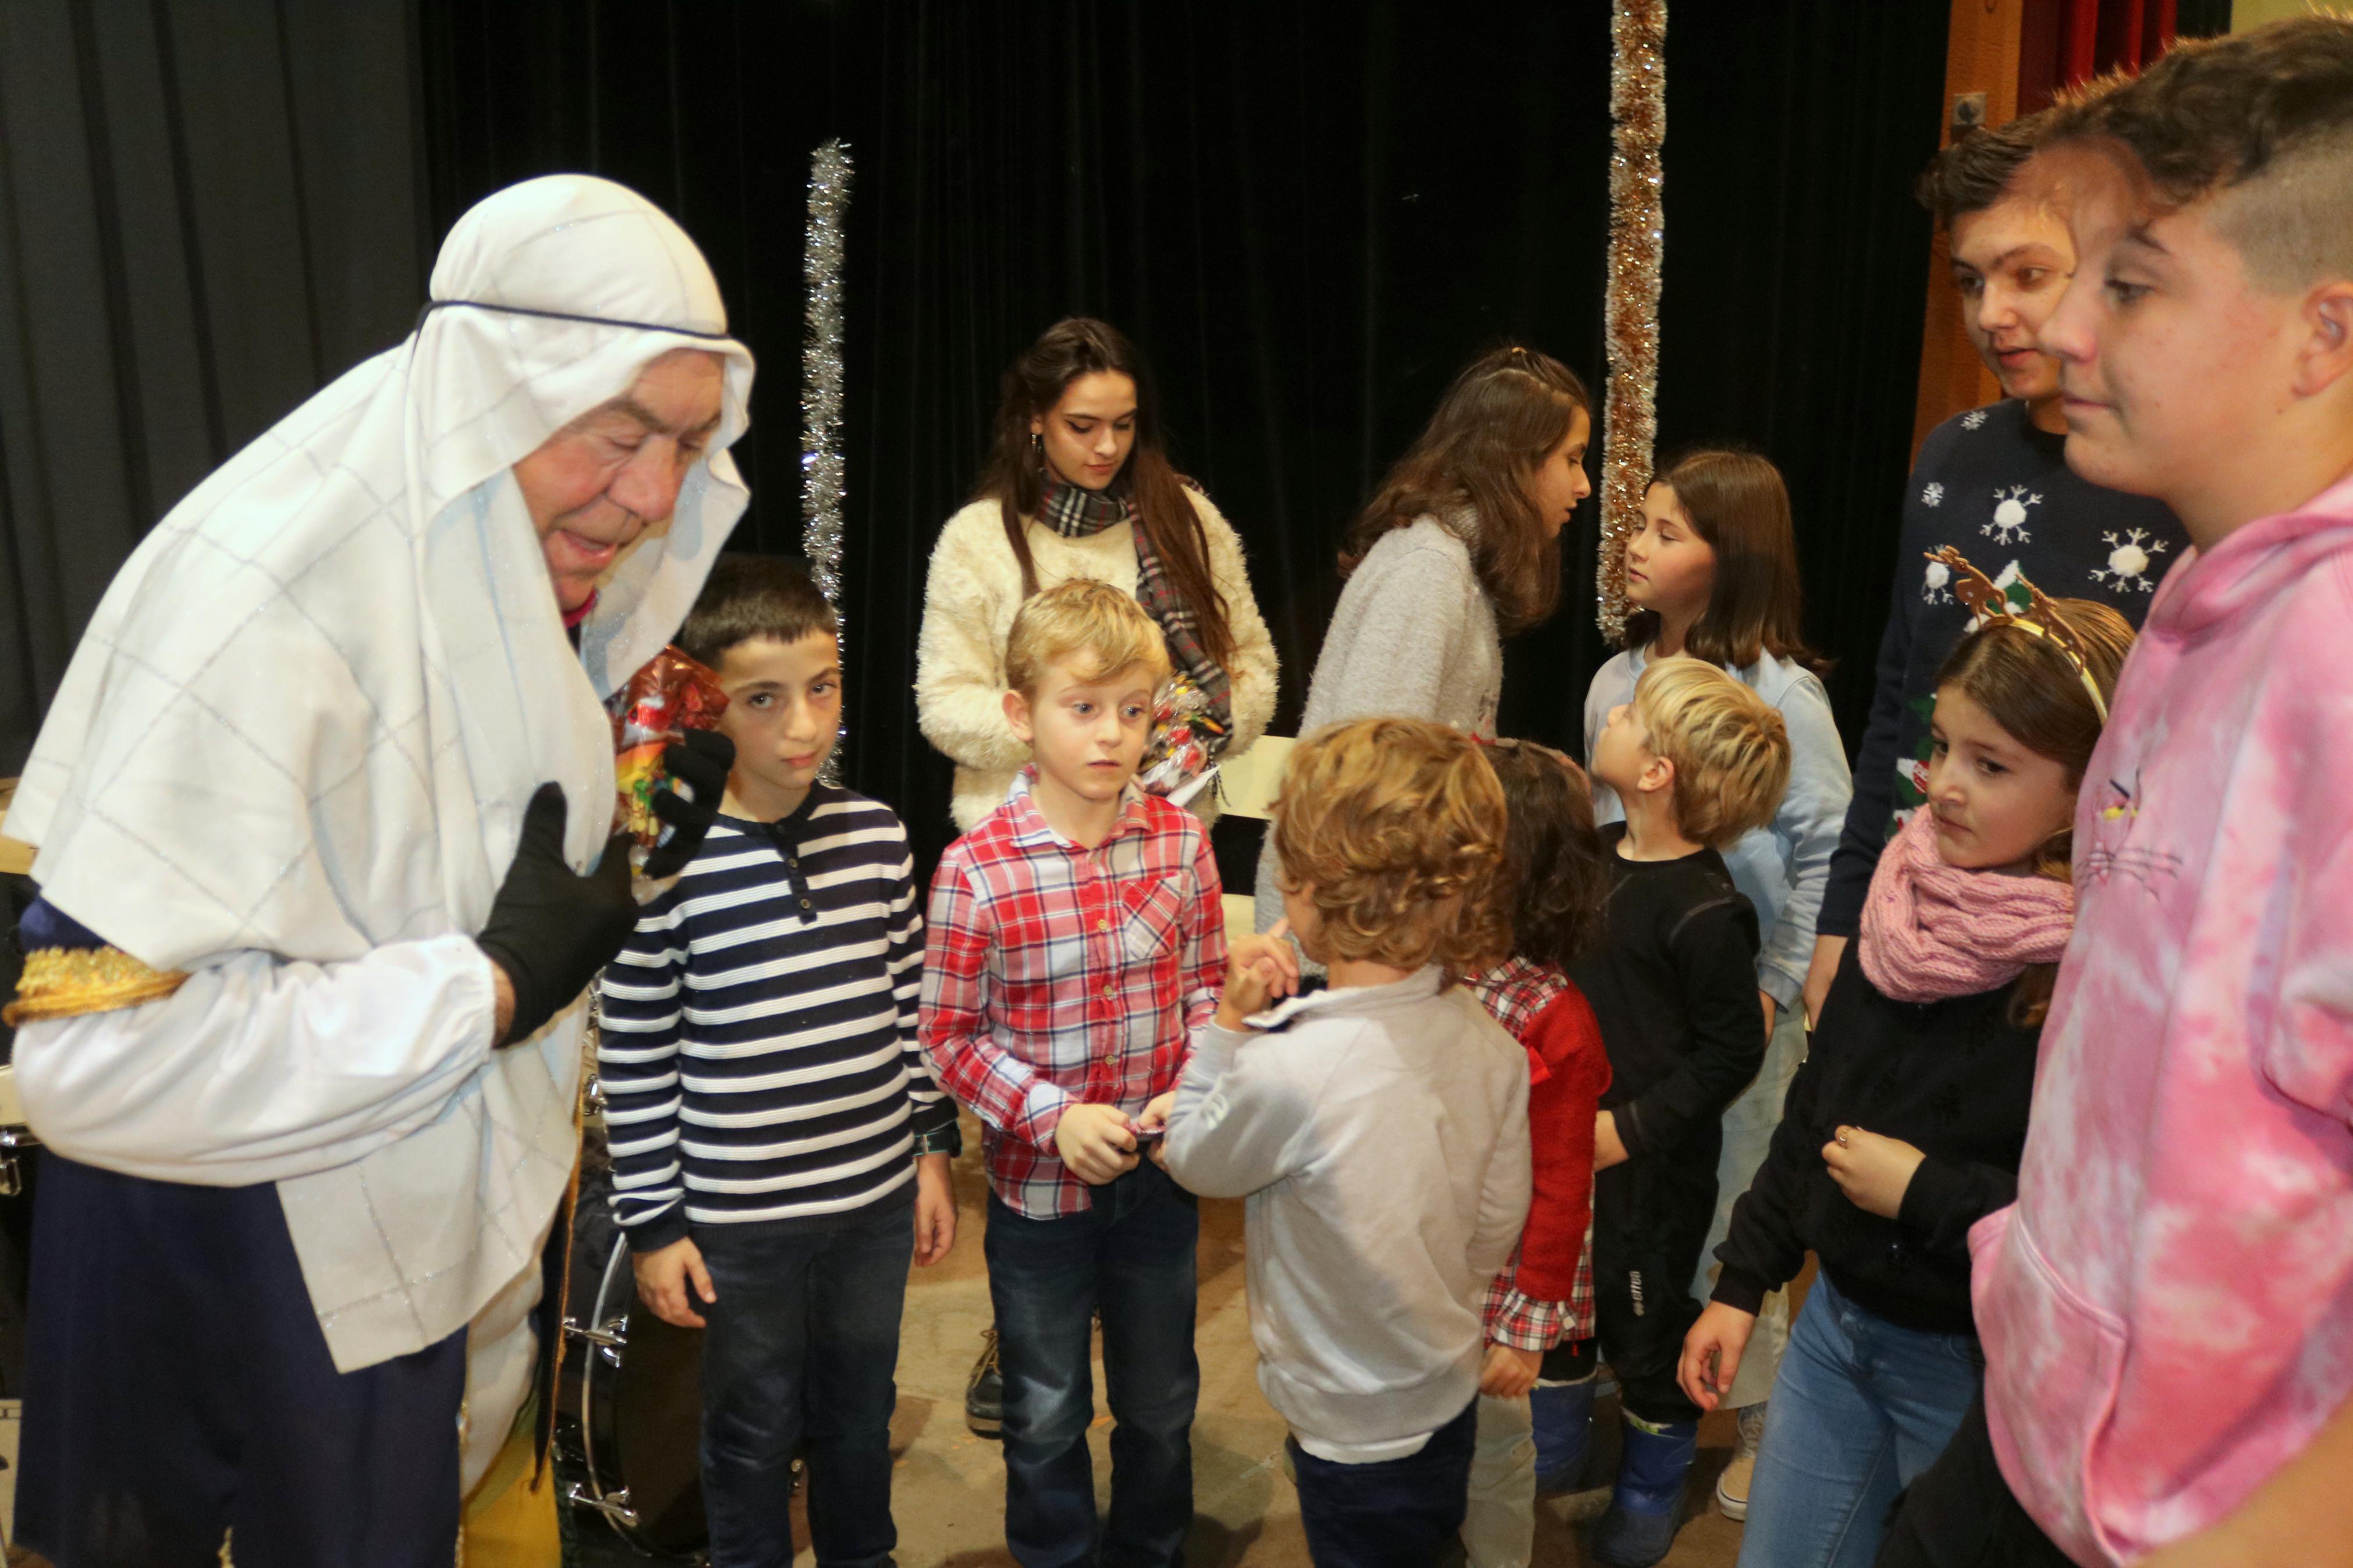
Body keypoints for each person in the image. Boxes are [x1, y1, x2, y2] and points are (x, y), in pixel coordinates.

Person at [2, 175, 753, 1563]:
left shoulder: (486, 541)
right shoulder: (273, 598)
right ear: (497, 390)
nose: (654, 497)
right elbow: (92, 1074)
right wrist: (490, 986)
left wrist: (617, 867)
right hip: (245, 1290)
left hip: (389, 1254)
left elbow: (411, 869)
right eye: (619, 433)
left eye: (691, 444)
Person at [1878, 20, 2353, 1566]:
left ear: (2320, 333)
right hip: (2049, 1434)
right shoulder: (2208, 605)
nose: (2061, 328)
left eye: (2129, 284)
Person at [1676, 567, 2130, 1568]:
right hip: (1834, 1334)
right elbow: (1814, 1108)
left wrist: (1923, 1190)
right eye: (1939, 747)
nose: (1944, 784)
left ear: (2086, 790)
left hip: (1973, 1368)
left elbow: (2097, 1235)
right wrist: (1740, 1282)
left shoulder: (2094, 981)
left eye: (1992, 765)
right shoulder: (1901, 898)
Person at [597, 556, 960, 1568]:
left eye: (823, 687)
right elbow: (635, 1053)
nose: (804, 725)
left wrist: (930, 1154)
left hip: (872, 1204)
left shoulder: (880, 835)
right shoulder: (660, 864)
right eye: (764, 699)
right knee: (752, 1430)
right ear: (707, 707)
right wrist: (656, 1223)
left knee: (858, 1413)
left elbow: (907, 1008)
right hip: (738, 1224)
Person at [1801, 111, 2188, 1029]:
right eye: (1970, 281)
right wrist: (1837, 918)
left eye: (2026, 275)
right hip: (1915, 925)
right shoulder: (1951, 459)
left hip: (2082, 964)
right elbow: (1898, 708)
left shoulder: (2179, 479)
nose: (1990, 315)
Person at [921, 580, 1265, 1568]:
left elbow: (1202, 984)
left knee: (1160, 1401)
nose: (1111, 735)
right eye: (1082, 708)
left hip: (1160, 1181)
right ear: (1020, 716)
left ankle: (1150, 1548)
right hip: (1038, 1198)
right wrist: (1049, 1116)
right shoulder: (976, 870)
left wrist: (1192, 1073)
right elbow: (948, 1034)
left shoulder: (1178, 841)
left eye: (1132, 710)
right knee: (1043, 1409)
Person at [1164, 717, 1529, 1568]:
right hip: (1443, 1381)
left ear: (1310, 888)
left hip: (1344, 1421)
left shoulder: (1290, 1067)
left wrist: (1225, 1025)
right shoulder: (1489, 1037)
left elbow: (1192, 1154)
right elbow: (1496, 1214)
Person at [1578, 448, 1852, 1519]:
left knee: (1736, 1205)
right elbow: (1607, 842)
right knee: (1638, 1197)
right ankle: (1640, 1351)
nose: (1635, 547)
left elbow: (1829, 846)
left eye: (1663, 531)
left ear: (1726, 559)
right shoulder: (1616, 681)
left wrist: (1777, 985)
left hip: (1734, 1007)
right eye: (1637, 525)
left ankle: (1756, 1415)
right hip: (1631, 1008)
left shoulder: (1784, 694)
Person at [1254, 343, 1592, 934]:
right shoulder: (1429, 570)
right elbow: (1370, 776)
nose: (1582, 484)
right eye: (1571, 458)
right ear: (1515, 462)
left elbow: (1428, 745)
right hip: (1345, 932)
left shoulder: (1451, 564)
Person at [1570, 657, 1790, 1568]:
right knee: (1556, 1290)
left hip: (1648, 1171)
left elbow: (1732, 1049)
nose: (1609, 712)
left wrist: (1628, 1129)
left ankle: (1652, 1476)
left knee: (1645, 1317)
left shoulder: (1708, 911)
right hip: (1562, 1149)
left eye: (1628, 712)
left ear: (1655, 770)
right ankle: (1554, 1433)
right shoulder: (1590, 854)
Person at [917, 316, 1278, 830]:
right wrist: (1082, 737)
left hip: (1166, 832)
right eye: (1082, 426)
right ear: (1035, 418)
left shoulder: (1189, 520)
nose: (1107, 446)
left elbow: (1252, 668)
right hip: (1021, 839)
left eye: (1124, 424)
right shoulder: (977, 537)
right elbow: (944, 702)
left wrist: (1172, 736)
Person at [1456, 741, 1613, 1568]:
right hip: (1430, 1262)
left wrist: (1525, 1329)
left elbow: (1561, 1183)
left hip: (1506, 1281)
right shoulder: (1428, 966)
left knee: (1494, 1454)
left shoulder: (1553, 1016)